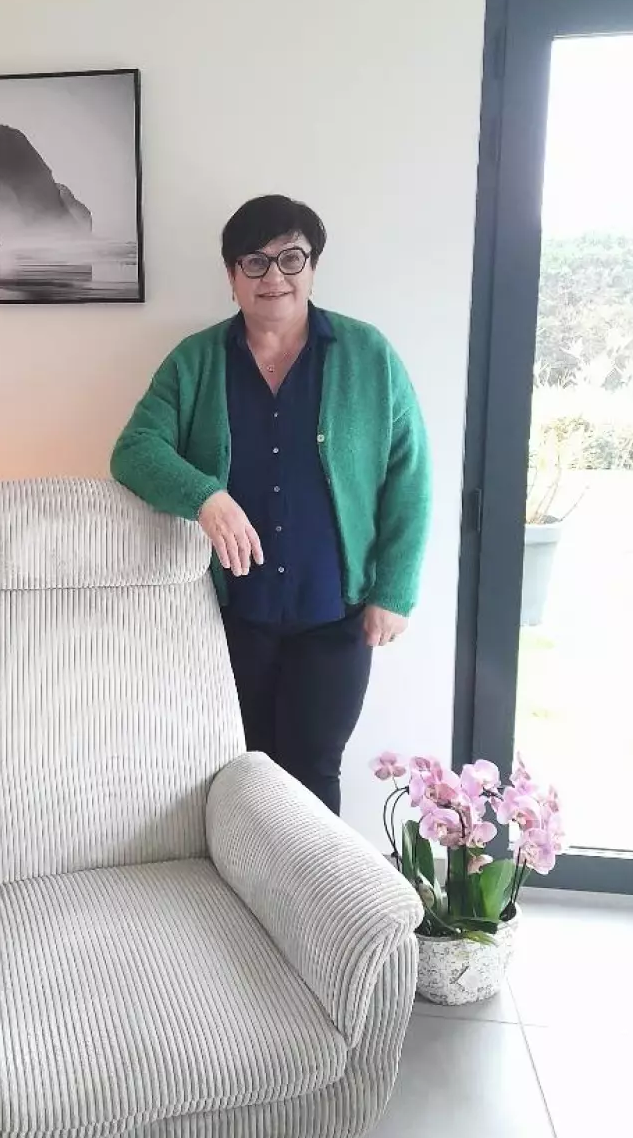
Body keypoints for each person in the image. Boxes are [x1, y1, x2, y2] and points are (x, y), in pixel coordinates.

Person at [111, 194, 431, 814]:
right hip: (232, 618)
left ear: (313, 266)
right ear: (232, 276)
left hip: (336, 615)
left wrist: (394, 590)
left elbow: (409, 475)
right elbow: (134, 450)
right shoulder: (197, 361)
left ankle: (312, 883)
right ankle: (245, 879)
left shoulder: (367, 355)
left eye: (291, 258)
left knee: (314, 770)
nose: (274, 277)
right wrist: (206, 496)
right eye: (254, 262)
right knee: (241, 769)